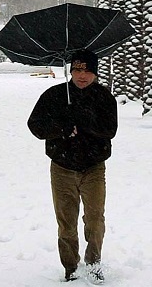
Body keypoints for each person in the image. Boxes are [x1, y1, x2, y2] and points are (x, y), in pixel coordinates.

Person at [27, 49, 117, 283]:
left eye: (87, 70)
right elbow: (35, 125)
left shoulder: (104, 97)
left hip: (93, 168)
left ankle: (94, 261)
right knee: (66, 223)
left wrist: (84, 118)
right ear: (70, 70)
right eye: (77, 69)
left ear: (95, 72)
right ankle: (70, 268)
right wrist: (61, 127)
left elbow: (110, 130)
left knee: (95, 220)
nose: (82, 75)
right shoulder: (55, 96)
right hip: (62, 167)